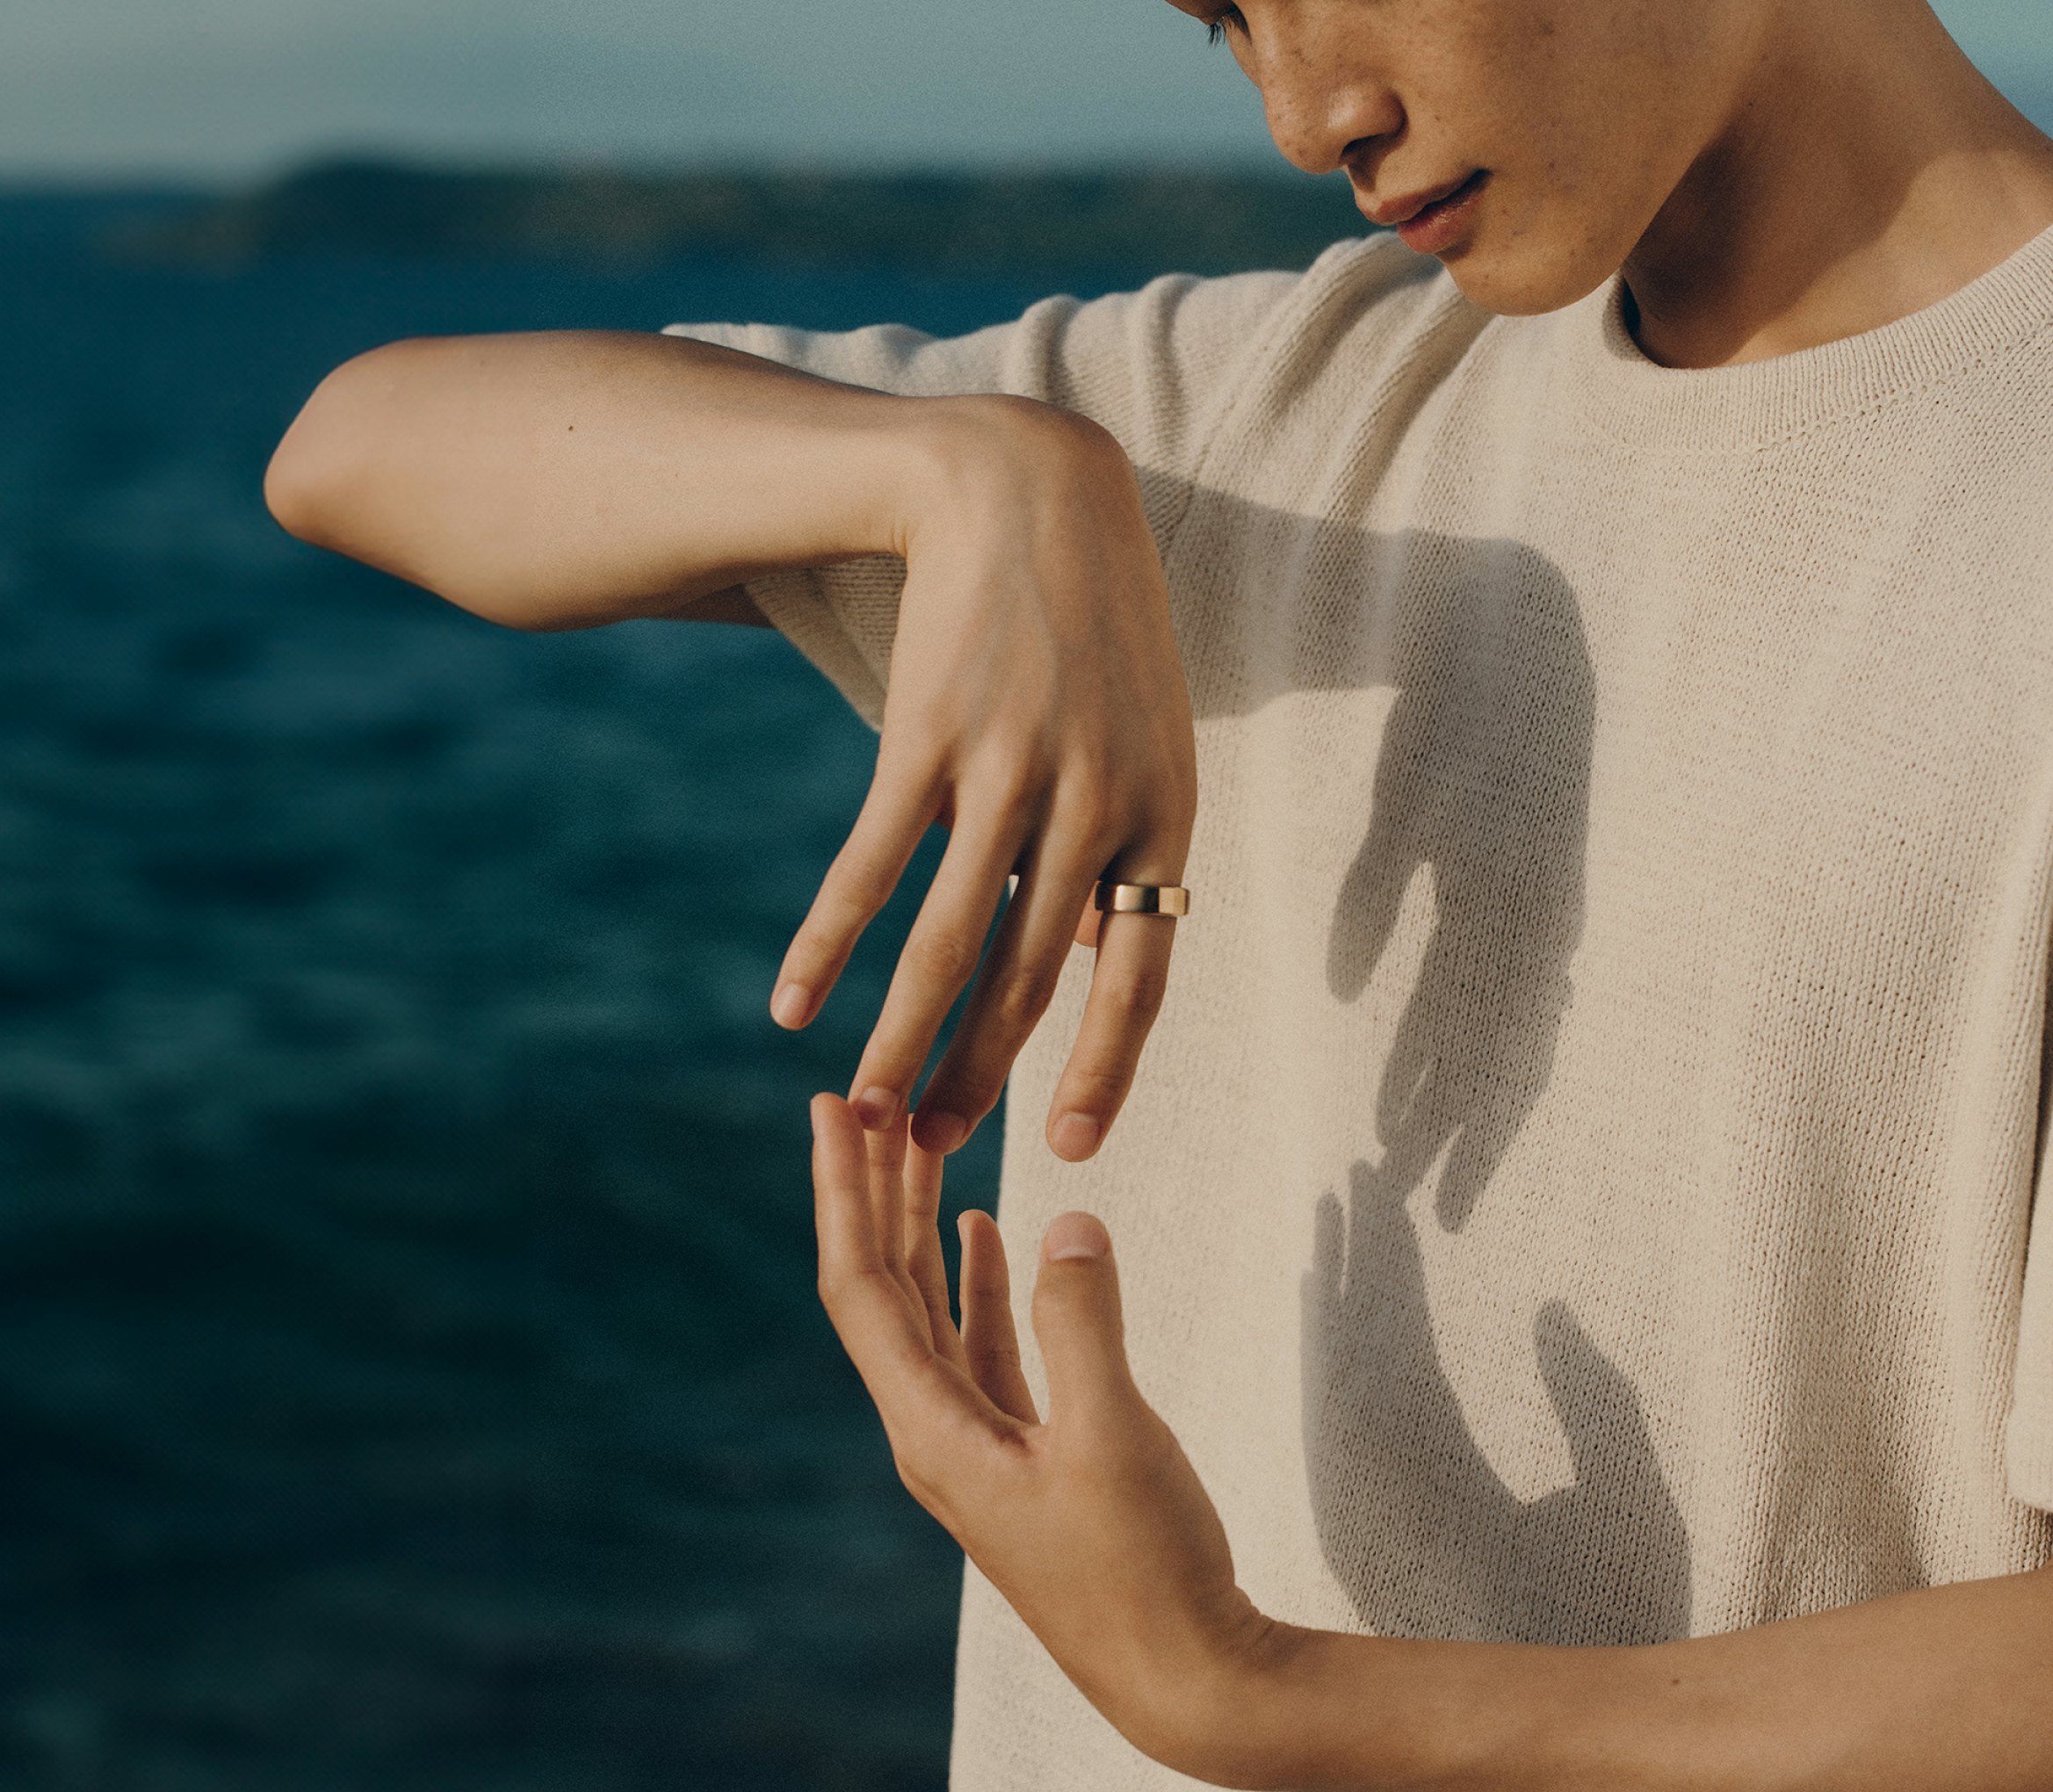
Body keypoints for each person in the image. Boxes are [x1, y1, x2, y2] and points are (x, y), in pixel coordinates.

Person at [264, 0, 2053, 1782]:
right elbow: (361, 447)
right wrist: (953, 470)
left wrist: (1253, 1701)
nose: (1296, 115)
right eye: (1219, 19)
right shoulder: (1247, 423)